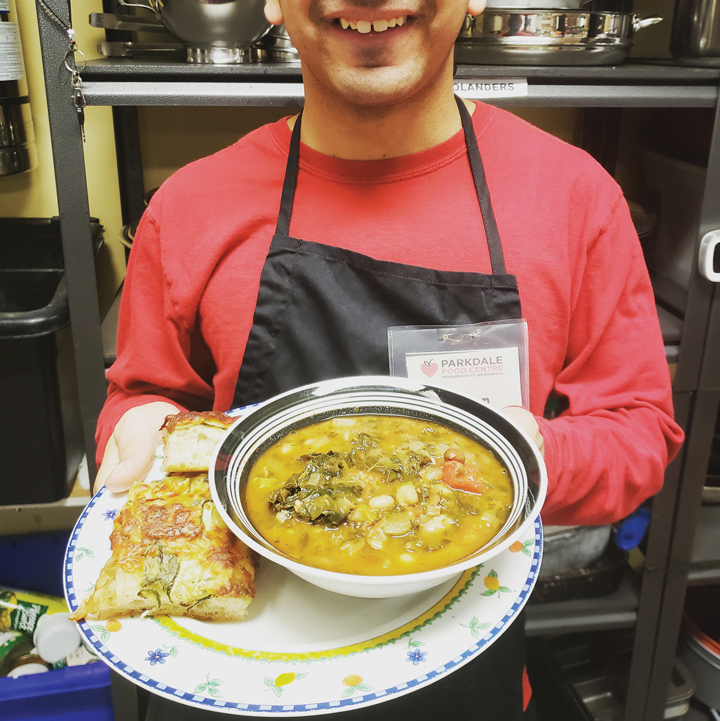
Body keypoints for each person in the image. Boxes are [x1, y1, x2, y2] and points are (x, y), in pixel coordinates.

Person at [93, 0, 684, 716]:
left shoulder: (572, 197)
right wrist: (138, 432)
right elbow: (140, 400)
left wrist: (532, 451)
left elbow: (639, 429)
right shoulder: (190, 206)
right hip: (242, 675)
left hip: (462, 680)